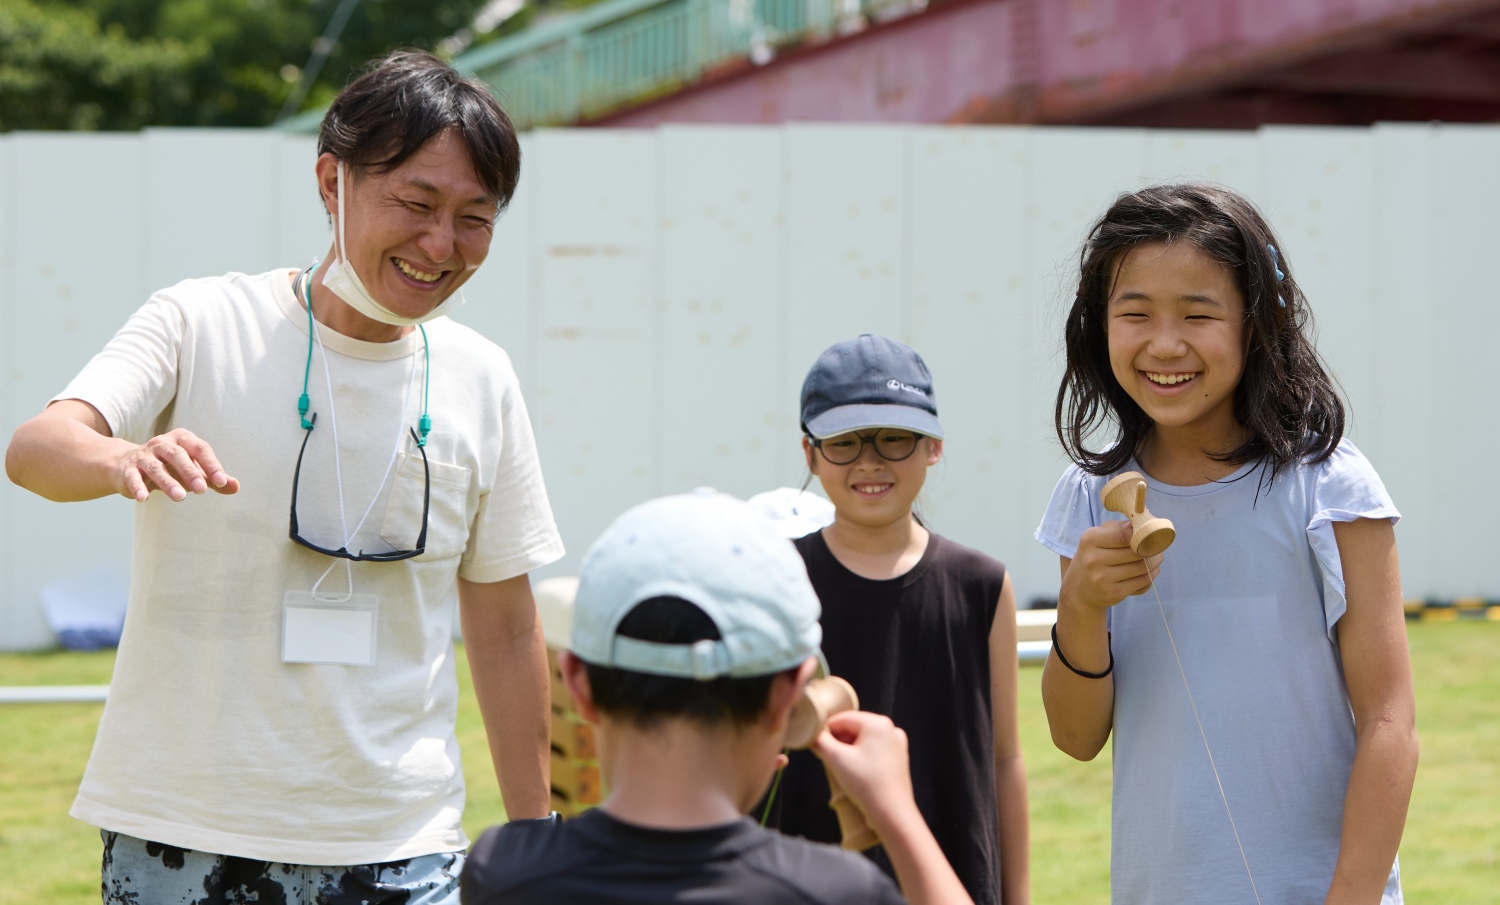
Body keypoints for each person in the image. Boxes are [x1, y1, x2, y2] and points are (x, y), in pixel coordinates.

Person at [5, 51, 564, 904]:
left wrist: (535, 835)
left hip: (400, 845)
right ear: (330, 182)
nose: (440, 245)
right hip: (179, 835)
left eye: (474, 219)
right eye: (415, 203)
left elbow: (504, 627)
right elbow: (39, 448)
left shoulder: (481, 377)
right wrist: (122, 458)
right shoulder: (201, 321)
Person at [1037, 182, 1418, 904]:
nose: (1165, 344)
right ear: (1099, 326)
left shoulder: (1328, 486)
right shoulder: (1089, 498)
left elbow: (1390, 721)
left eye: (1199, 313)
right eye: (1135, 314)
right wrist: (1081, 606)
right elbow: (1077, 737)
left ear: (1257, 324)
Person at [461, 490, 974, 905]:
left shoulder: (505, 872)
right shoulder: (835, 889)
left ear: (577, 685)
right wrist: (898, 815)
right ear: (789, 699)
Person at [763, 334, 1031, 905]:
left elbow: (1004, 759)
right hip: (807, 879)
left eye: (894, 439)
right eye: (844, 441)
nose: (869, 460)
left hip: (953, 875)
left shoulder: (982, 584)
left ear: (933, 447)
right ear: (809, 453)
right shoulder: (776, 579)